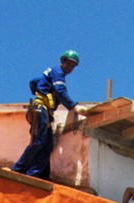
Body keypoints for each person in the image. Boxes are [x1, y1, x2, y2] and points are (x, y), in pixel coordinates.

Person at [12, 50, 86, 180]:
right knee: (38, 141)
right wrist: (73, 106)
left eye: (73, 66)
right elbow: (60, 90)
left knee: (47, 146)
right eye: (68, 64)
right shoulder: (57, 72)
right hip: (41, 109)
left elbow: (33, 82)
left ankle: (35, 174)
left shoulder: (51, 73)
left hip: (46, 112)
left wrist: (41, 90)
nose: (70, 68)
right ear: (62, 61)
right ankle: (18, 169)